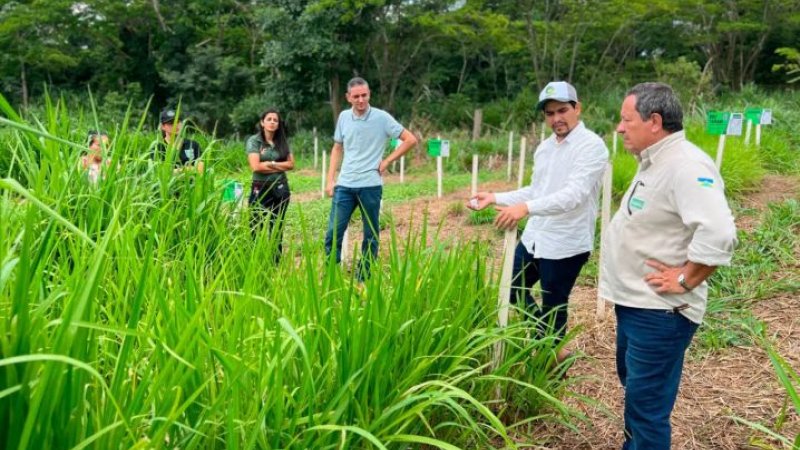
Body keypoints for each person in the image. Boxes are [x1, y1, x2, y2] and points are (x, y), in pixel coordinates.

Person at [599, 82, 737, 449]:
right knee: (638, 395)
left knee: (647, 408)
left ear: (655, 121)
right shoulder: (657, 162)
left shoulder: (686, 167)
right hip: (638, 304)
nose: (620, 127)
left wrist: (685, 278)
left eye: (627, 119)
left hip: (659, 312)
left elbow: (719, 233)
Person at [468, 81, 608, 363]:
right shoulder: (544, 148)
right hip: (536, 236)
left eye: (562, 110)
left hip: (566, 241)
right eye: (549, 113)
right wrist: (496, 197)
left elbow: (574, 195)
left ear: (577, 108)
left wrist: (526, 209)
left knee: (554, 304)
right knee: (510, 288)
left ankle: (552, 367)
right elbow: (537, 190)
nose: (556, 118)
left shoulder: (591, 147)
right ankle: (551, 344)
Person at [324, 77, 417, 280]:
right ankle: (331, 274)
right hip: (345, 185)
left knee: (371, 235)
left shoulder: (382, 118)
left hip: (370, 186)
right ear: (348, 97)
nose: (360, 100)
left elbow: (410, 139)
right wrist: (331, 179)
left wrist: (386, 162)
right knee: (333, 233)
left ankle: (363, 277)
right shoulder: (343, 117)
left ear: (369, 94)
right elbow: (337, 147)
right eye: (356, 96)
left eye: (364, 95)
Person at [246, 108, 295, 264]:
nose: (273, 122)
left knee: (277, 226)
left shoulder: (282, 141)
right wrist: (280, 165)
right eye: (269, 119)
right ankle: (256, 260)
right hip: (260, 187)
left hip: (280, 188)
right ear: (262, 122)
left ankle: (275, 262)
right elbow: (256, 166)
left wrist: (270, 163)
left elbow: (291, 164)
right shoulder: (254, 141)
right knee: (256, 225)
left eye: (276, 120)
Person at [154, 109, 204, 173]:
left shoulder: (193, 144)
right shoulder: (158, 147)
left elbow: (201, 169)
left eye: (177, 122)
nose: (175, 125)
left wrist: (176, 171)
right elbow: (162, 172)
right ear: (163, 127)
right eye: (171, 123)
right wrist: (188, 169)